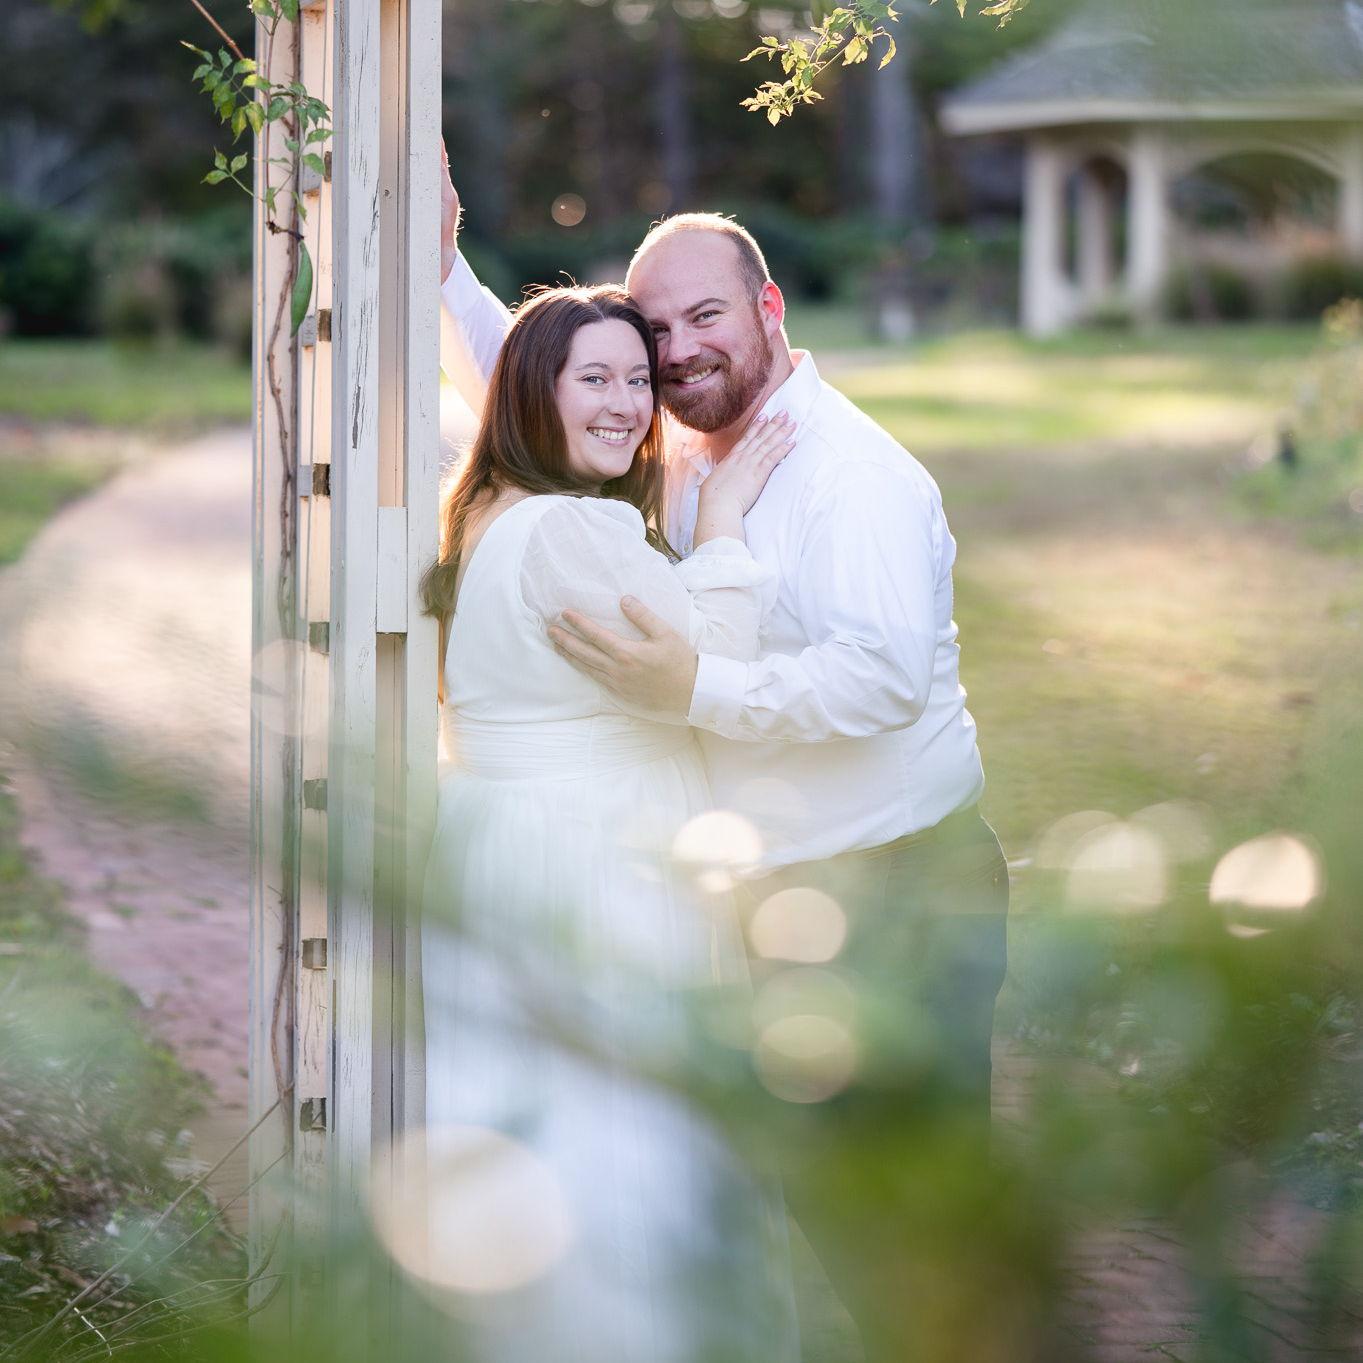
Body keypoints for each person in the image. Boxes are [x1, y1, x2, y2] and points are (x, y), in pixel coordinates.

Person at [439, 149, 1010, 1363]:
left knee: (906, 1217)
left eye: (704, 317)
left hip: (890, 886)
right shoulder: (680, 438)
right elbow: (544, 387)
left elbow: (877, 677)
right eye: (654, 332)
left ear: (768, 310)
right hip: (764, 896)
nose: (674, 352)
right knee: (779, 1199)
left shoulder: (850, 477)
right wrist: (440, 271)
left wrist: (690, 686)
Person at [418, 280, 799, 1362]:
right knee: (629, 1145)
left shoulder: (484, 507)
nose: (629, 404)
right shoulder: (571, 531)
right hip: (601, 854)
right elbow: (710, 661)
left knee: (543, 1129)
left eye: (639, 380)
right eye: (596, 378)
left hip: (514, 848)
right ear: (534, 392)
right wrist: (721, 529)